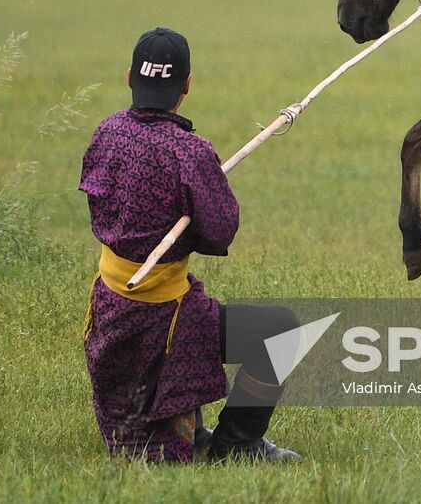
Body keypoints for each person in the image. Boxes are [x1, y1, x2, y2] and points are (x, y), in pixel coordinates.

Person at [80, 26, 302, 463]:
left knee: (195, 297)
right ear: (187, 84)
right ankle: (238, 445)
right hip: (163, 319)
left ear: (130, 77)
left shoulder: (105, 133)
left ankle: (189, 427)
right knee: (279, 328)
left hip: (110, 310)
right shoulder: (190, 151)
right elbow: (220, 231)